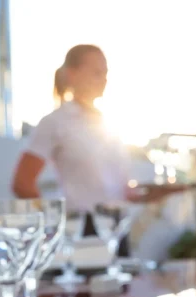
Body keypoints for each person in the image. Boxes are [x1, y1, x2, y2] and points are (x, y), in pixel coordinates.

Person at [12, 44, 171, 209]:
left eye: (105, 73)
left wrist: (146, 194)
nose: (104, 80)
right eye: (97, 73)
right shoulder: (55, 122)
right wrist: (52, 219)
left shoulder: (108, 123)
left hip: (119, 222)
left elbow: (113, 188)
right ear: (72, 75)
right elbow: (22, 184)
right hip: (81, 224)